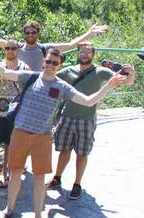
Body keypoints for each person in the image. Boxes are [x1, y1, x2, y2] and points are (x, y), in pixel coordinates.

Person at [0, 44, 128, 218]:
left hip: (43, 137)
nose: (50, 65)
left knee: (39, 178)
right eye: (48, 61)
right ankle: (9, 209)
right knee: (15, 173)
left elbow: (88, 101)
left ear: (60, 65)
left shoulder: (62, 87)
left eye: (55, 63)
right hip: (20, 133)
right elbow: (3, 71)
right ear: (44, 61)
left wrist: (109, 85)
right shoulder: (30, 77)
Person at [47, 42, 136, 199]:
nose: (84, 55)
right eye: (81, 52)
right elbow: (48, 78)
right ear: (78, 53)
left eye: (88, 53)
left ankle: (77, 184)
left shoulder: (101, 72)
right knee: (64, 150)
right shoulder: (68, 71)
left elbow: (126, 82)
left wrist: (132, 73)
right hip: (67, 116)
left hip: (87, 119)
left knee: (82, 153)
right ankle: (57, 178)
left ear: (93, 55)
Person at [0, 15, 109, 70]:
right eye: (27, 32)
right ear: (24, 34)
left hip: (37, 85)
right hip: (17, 85)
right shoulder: (16, 47)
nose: (30, 35)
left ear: (38, 34)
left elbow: (71, 45)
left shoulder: (45, 48)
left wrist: (90, 32)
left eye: (33, 32)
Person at [0, 39, 26, 189]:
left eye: (13, 48)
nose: (10, 50)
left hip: (14, 112)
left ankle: (5, 172)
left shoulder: (25, 67)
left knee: (9, 144)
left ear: (18, 50)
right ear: (4, 50)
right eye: (7, 48)